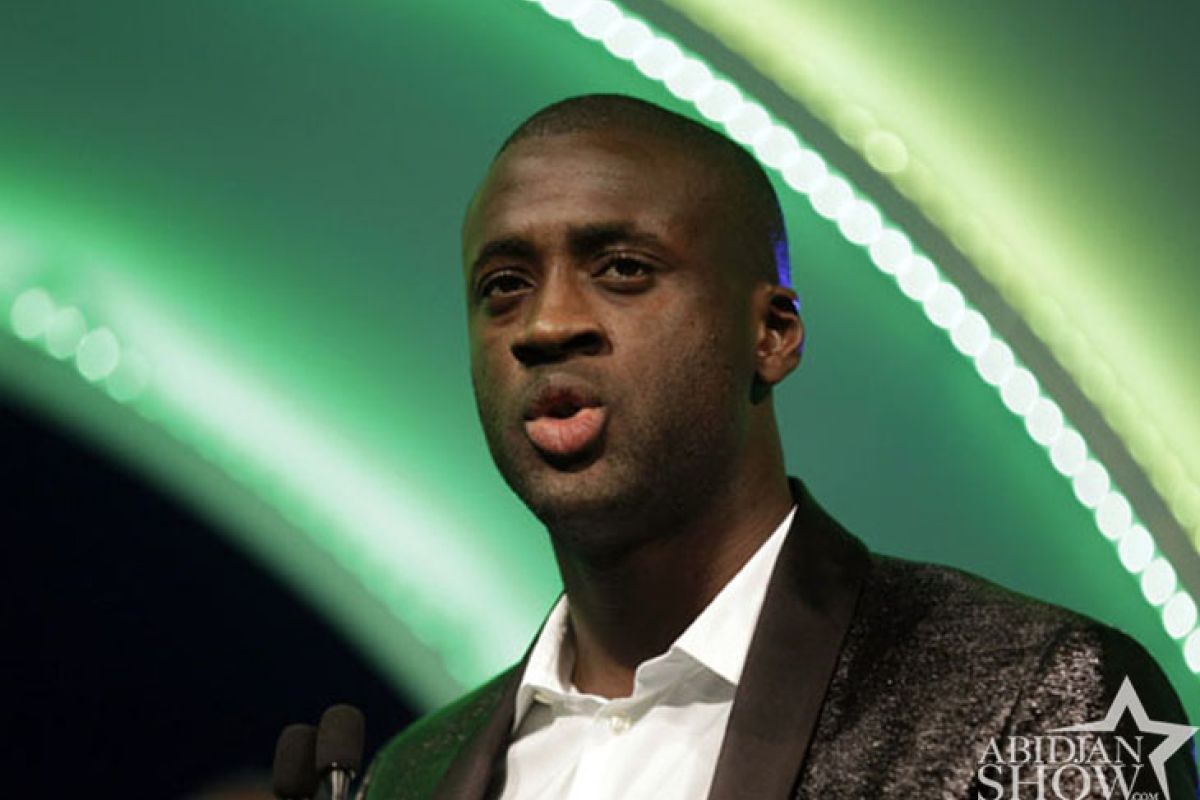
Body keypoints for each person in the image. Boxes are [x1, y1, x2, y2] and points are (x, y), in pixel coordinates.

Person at [361, 94, 1197, 799]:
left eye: (621, 268)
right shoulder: (410, 774)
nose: (546, 325)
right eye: (504, 285)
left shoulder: (1034, 697)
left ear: (772, 333)